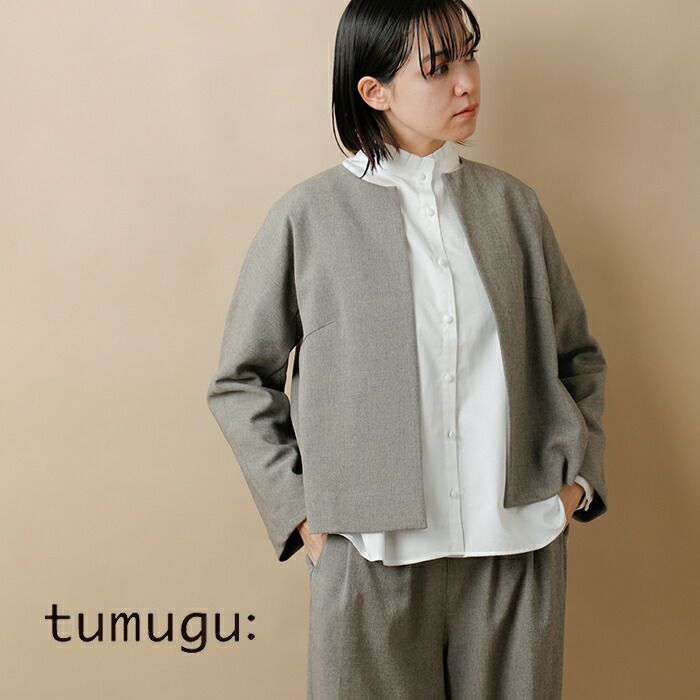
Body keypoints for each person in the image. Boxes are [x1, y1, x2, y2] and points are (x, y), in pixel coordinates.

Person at [206, 1, 608, 698]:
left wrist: (574, 486)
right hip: (369, 560)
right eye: (438, 67)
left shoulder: (514, 207)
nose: (467, 82)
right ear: (375, 91)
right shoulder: (309, 216)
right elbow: (240, 381)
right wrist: (304, 517)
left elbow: (577, 358)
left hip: (516, 550)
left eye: (468, 56)